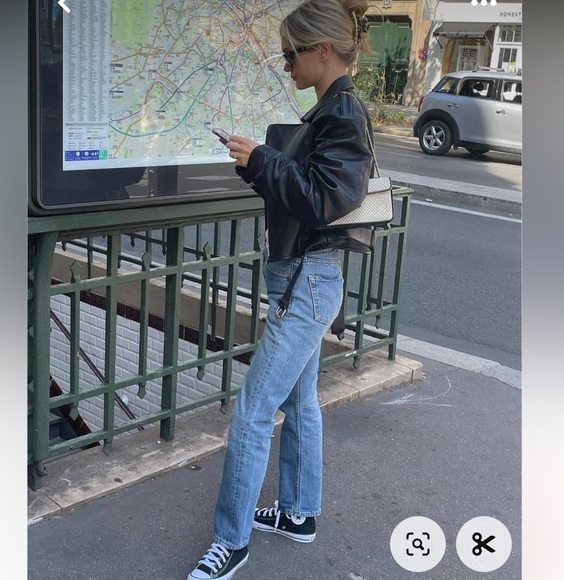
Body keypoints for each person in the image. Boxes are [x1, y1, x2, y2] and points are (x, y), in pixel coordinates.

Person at [188, 0, 374, 578]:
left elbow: (326, 199)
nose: (286, 63)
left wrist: (264, 160)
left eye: (291, 54)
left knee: (251, 411)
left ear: (323, 50)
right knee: (298, 401)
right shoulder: (330, 110)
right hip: (304, 277)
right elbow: (306, 192)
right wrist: (257, 166)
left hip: (307, 281)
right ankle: (298, 513)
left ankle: (232, 542)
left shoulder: (343, 113)